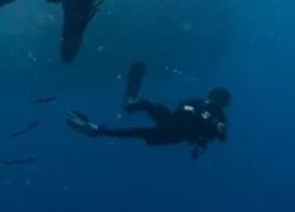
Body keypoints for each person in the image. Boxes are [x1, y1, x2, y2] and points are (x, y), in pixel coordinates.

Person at [67, 61, 230, 160]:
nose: (210, 99)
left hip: (175, 132)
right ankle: (128, 106)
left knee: (137, 131)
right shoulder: (202, 104)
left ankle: (99, 130)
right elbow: (183, 104)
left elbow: (219, 136)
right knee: (144, 113)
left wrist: (215, 128)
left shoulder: (216, 113)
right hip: (172, 123)